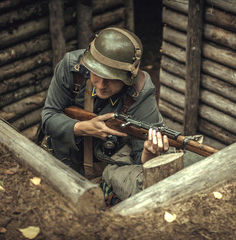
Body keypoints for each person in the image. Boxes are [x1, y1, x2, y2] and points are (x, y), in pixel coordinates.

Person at [41, 27, 169, 204]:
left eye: (112, 78)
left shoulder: (141, 93)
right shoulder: (72, 68)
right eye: (96, 74)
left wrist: (150, 152)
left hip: (105, 174)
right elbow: (48, 117)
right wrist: (83, 128)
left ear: (128, 77)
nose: (101, 85)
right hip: (61, 163)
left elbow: (143, 162)